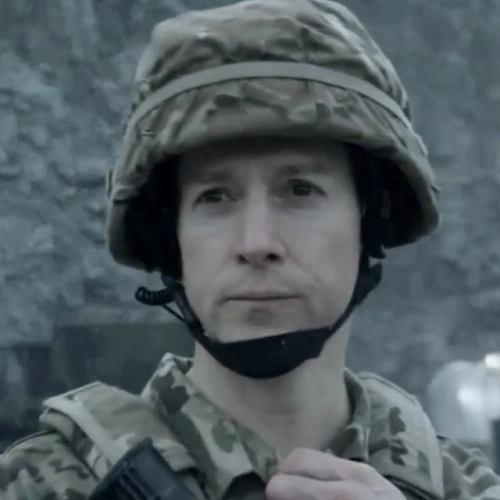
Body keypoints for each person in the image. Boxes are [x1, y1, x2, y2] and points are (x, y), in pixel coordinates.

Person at [1, 0, 499, 499]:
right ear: (171, 240)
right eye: (215, 197)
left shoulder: (466, 488)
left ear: (367, 221)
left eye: (300, 190)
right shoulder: (38, 485)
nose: (256, 243)